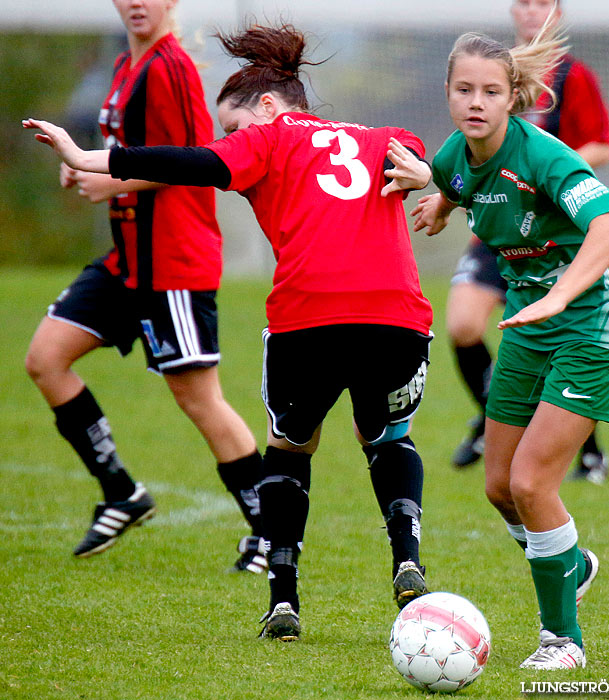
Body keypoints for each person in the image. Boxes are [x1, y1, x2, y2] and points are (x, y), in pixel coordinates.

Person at [24, 21, 435, 642]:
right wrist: (428, 175)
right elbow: (427, 154)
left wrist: (90, 158)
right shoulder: (381, 136)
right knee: (387, 435)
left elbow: (189, 161)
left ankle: (284, 600)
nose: (232, 140)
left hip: (309, 317)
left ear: (269, 107)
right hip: (397, 318)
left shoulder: (265, 140)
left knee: (290, 450)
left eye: (236, 125)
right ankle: (406, 558)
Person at [411, 18, 609, 669]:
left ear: (514, 98)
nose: (477, 102)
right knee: (498, 485)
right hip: (529, 318)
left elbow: (608, 230)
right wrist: (439, 207)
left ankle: (562, 642)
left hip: (595, 319)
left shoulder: (544, 154)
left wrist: (562, 294)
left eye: (490, 91)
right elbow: (456, 182)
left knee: (534, 482)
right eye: (465, 90)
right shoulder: (455, 154)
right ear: (450, 94)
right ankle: (571, 562)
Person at [23, 0, 267, 574]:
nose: (136, 2)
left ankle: (272, 531)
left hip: (173, 262)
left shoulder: (170, 66)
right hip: (128, 260)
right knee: (45, 360)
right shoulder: (126, 64)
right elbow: (117, 150)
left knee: (199, 399)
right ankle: (121, 492)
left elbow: (194, 160)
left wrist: (107, 180)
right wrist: (80, 165)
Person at [447, 0, 609, 485]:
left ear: (558, 12)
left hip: (550, 237)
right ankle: (491, 419)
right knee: (461, 324)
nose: (532, 12)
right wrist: (444, 196)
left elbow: (601, 144)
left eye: (542, 2)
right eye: (524, 2)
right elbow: (465, 157)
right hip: (497, 232)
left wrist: (542, 171)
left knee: (558, 347)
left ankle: (588, 448)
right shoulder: (486, 74)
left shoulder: (572, 77)